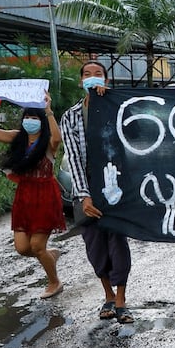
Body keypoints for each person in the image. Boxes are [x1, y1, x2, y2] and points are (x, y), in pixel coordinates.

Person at [60, 61, 134, 323]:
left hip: (115, 184)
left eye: (98, 74)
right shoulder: (69, 117)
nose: (93, 78)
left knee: (117, 240)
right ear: (81, 81)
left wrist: (109, 104)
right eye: (87, 75)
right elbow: (74, 158)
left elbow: (133, 141)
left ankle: (122, 299)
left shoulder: (119, 110)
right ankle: (108, 295)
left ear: (106, 79)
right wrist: (83, 195)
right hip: (85, 187)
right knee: (94, 244)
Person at [0, 92, 66, 299]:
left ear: (42, 121)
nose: (30, 121)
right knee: (22, 248)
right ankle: (49, 256)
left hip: (46, 196)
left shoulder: (48, 142)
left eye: (35, 118)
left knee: (37, 246)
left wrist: (48, 111)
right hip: (24, 196)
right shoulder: (17, 137)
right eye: (27, 118)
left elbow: (58, 137)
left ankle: (54, 282)